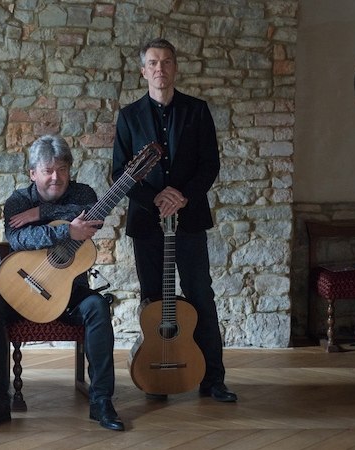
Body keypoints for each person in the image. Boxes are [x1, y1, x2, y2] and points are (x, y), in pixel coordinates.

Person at [0, 134, 124, 432]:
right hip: (23, 287)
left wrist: (42, 213)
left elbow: (96, 212)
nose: (56, 177)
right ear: (32, 173)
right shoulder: (18, 200)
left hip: (69, 293)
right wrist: (66, 232)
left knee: (98, 309)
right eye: (47, 170)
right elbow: (19, 239)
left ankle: (102, 400)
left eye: (62, 169)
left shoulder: (83, 194)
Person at [112, 38, 236, 402]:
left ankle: (213, 380)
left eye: (166, 62)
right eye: (153, 62)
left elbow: (209, 164)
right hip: (146, 222)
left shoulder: (197, 111)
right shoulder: (128, 116)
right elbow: (118, 172)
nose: (160, 69)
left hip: (190, 218)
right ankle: (157, 375)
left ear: (175, 68)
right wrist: (154, 198)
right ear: (143, 70)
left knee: (201, 295)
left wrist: (181, 196)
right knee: (153, 299)